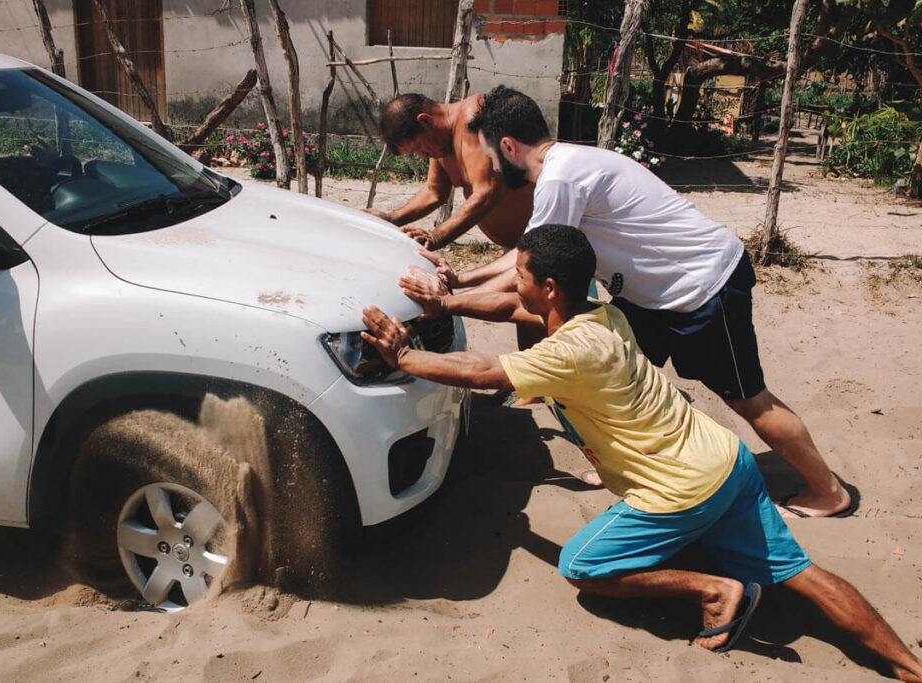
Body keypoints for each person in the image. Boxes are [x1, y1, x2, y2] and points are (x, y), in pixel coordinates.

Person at [360, 225, 922, 679]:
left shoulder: (568, 352)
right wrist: (449, 307)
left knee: (583, 565)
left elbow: (484, 372)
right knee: (802, 573)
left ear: (549, 286)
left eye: (521, 274)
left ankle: (714, 588)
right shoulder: (603, 313)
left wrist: (405, 357)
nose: (515, 283)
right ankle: (908, 664)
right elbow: (512, 310)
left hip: (679, 489)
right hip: (727, 461)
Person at [424, 85, 852, 519]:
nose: (492, 168)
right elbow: (529, 254)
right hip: (650, 296)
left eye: (492, 157)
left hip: (703, 286)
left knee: (748, 400)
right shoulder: (566, 163)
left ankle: (827, 490)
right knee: (618, 378)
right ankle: (638, 468)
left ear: (509, 146)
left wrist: (456, 292)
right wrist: (462, 279)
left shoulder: (560, 178)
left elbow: (531, 264)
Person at [367, 93, 533, 251]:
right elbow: (434, 192)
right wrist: (391, 219)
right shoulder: (440, 143)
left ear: (425, 121)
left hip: (545, 243)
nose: (422, 156)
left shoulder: (475, 117)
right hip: (518, 248)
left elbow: (487, 191)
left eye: (418, 147)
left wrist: (437, 237)